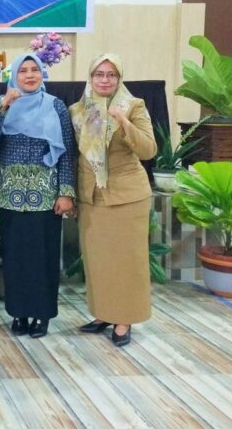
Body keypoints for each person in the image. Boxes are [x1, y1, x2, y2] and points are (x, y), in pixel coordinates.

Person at [0, 53, 75, 338]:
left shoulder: (55, 106)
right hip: (10, 195)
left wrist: (66, 193)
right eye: (23, 71)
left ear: (42, 74)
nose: (30, 75)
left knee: (43, 256)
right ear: (14, 76)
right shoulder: (1, 104)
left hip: (45, 195)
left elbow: (67, 153)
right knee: (15, 256)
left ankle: (42, 314)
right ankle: (19, 313)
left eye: (35, 70)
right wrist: (5, 106)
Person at [70, 54, 157, 348]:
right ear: (90, 77)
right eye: (99, 74)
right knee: (98, 261)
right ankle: (104, 313)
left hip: (126, 196)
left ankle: (125, 318)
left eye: (111, 75)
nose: (104, 80)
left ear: (119, 78)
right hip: (91, 196)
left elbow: (148, 150)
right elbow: (75, 155)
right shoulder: (78, 109)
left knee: (127, 261)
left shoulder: (133, 106)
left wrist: (123, 122)